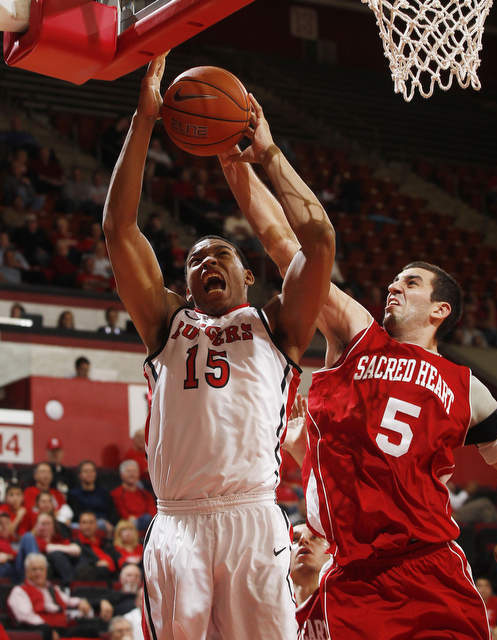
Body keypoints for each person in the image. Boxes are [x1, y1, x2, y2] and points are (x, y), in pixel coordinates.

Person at [220, 132, 497, 640]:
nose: (394, 285)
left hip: (432, 568)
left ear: (441, 311)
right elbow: (286, 247)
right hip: (354, 575)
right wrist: (239, 164)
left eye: (411, 282)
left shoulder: (468, 389)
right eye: (394, 279)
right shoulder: (357, 335)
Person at [102, 54, 335, 640]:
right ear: (183, 284)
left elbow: (319, 239)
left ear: (248, 275)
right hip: (178, 522)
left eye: (220, 254)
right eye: (195, 260)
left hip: (253, 517)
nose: (206, 261)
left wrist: (270, 157)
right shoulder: (166, 324)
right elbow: (119, 230)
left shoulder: (277, 325)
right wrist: (145, 119)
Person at [8, 552, 95, 640]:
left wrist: (81, 602)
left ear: (46, 571)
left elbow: (68, 601)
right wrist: (49, 629)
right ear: (27, 572)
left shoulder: (53, 589)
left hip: (62, 629)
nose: (38, 573)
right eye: (34, 569)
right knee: (46, 632)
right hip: (40, 631)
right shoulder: (19, 591)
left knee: (90, 630)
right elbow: (26, 616)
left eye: (41, 569)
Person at [291, 521, 330, 640]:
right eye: (295, 539)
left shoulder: (343, 599)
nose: (303, 540)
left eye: (315, 537)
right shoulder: (269, 607)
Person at [68, 459, 116, 533]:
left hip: (103, 524)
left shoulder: (104, 493)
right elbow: (75, 515)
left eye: (92, 471)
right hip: (82, 524)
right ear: (80, 475)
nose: (89, 474)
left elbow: (112, 512)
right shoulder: (73, 494)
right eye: (86, 471)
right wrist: (92, 522)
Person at [110, 460, 156, 531]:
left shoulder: (146, 494)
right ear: (121, 475)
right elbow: (122, 514)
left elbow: (153, 511)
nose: (132, 474)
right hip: (128, 524)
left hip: (147, 522)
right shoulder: (116, 493)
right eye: (128, 471)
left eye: (134, 472)